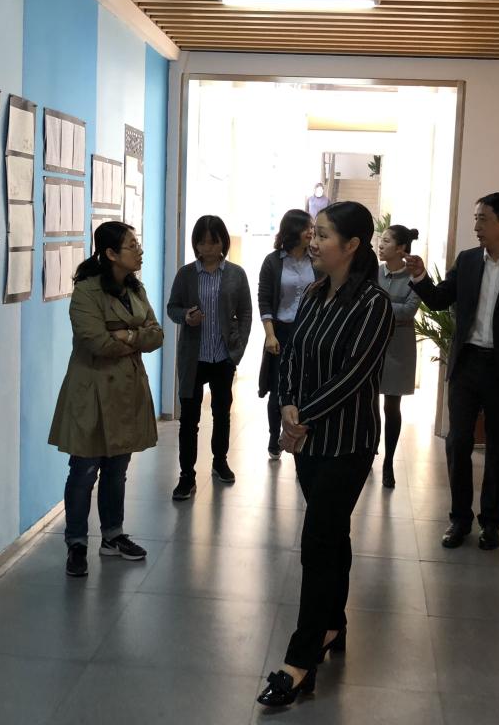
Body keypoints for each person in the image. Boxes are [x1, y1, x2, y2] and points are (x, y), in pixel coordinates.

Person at [258, 201, 394, 708]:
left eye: (324, 236)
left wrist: (303, 417)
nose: (312, 243)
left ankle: (300, 660)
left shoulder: (374, 305)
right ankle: (333, 623)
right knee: (332, 532)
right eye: (313, 234)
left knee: (316, 541)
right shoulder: (315, 294)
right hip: (309, 442)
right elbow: (293, 356)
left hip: (347, 442)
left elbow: (354, 376)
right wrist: (287, 405)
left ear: (352, 245)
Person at [406, 192, 499, 552]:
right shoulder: (468, 260)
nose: (476, 227)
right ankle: (459, 519)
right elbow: (439, 299)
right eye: (475, 219)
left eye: (483, 219)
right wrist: (420, 276)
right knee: (458, 442)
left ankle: (492, 522)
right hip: (468, 363)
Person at [48, 222, 163, 577]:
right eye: (132, 245)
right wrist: (134, 336)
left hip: (127, 390)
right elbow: (97, 342)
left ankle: (112, 536)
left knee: (117, 470)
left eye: (137, 244)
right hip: (92, 392)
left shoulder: (135, 288)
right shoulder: (86, 291)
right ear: (111, 253)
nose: (139, 250)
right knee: (84, 472)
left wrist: (125, 333)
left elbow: (156, 335)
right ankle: (76, 543)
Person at [167, 215, 252, 500]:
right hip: (193, 358)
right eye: (202, 242)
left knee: (221, 413)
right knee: (189, 420)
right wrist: (185, 316)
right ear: (196, 244)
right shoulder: (186, 274)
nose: (208, 248)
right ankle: (186, 476)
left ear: (223, 243)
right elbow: (172, 307)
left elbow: (245, 312)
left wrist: (237, 350)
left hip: (222, 356)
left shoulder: (236, 274)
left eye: (213, 242)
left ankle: (220, 461)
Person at [257, 209, 318, 460]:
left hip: (310, 331)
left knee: (307, 386)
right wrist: (270, 335)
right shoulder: (273, 261)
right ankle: (275, 438)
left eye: (313, 228)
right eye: (307, 228)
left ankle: (302, 439)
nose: (312, 232)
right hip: (281, 331)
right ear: (294, 230)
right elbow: (264, 300)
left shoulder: (316, 259)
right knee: (279, 388)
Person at [377, 224, 422, 488]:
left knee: (392, 407)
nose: (380, 245)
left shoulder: (414, 276)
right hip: (373, 345)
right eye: (380, 240)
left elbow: (409, 311)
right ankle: (368, 451)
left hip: (399, 347)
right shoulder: (374, 272)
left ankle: (388, 462)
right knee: (368, 403)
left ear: (401, 248)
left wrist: (378, 305)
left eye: (386, 241)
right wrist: (393, 308)